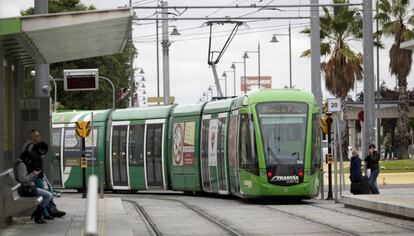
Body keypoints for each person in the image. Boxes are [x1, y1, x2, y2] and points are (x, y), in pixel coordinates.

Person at [26, 142, 66, 219]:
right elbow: (36, 167)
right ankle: (44, 214)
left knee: (48, 192)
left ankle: (46, 212)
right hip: (37, 177)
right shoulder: (35, 156)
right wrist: (38, 173)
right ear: (40, 149)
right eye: (44, 150)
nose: (44, 152)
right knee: (45, 195)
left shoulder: (35, 155)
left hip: (39, 176)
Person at [14, 147, 53, 224]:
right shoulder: (22, 165)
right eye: (30, 159)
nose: (31, 161)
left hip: (29, 187)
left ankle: (38, 215)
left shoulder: (22, 163)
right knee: (48, 195)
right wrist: (33, 174)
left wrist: (34, 175)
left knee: (48, 194)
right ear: (26, 158)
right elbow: (22, 179)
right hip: (27, 189)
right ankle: (38, 215)